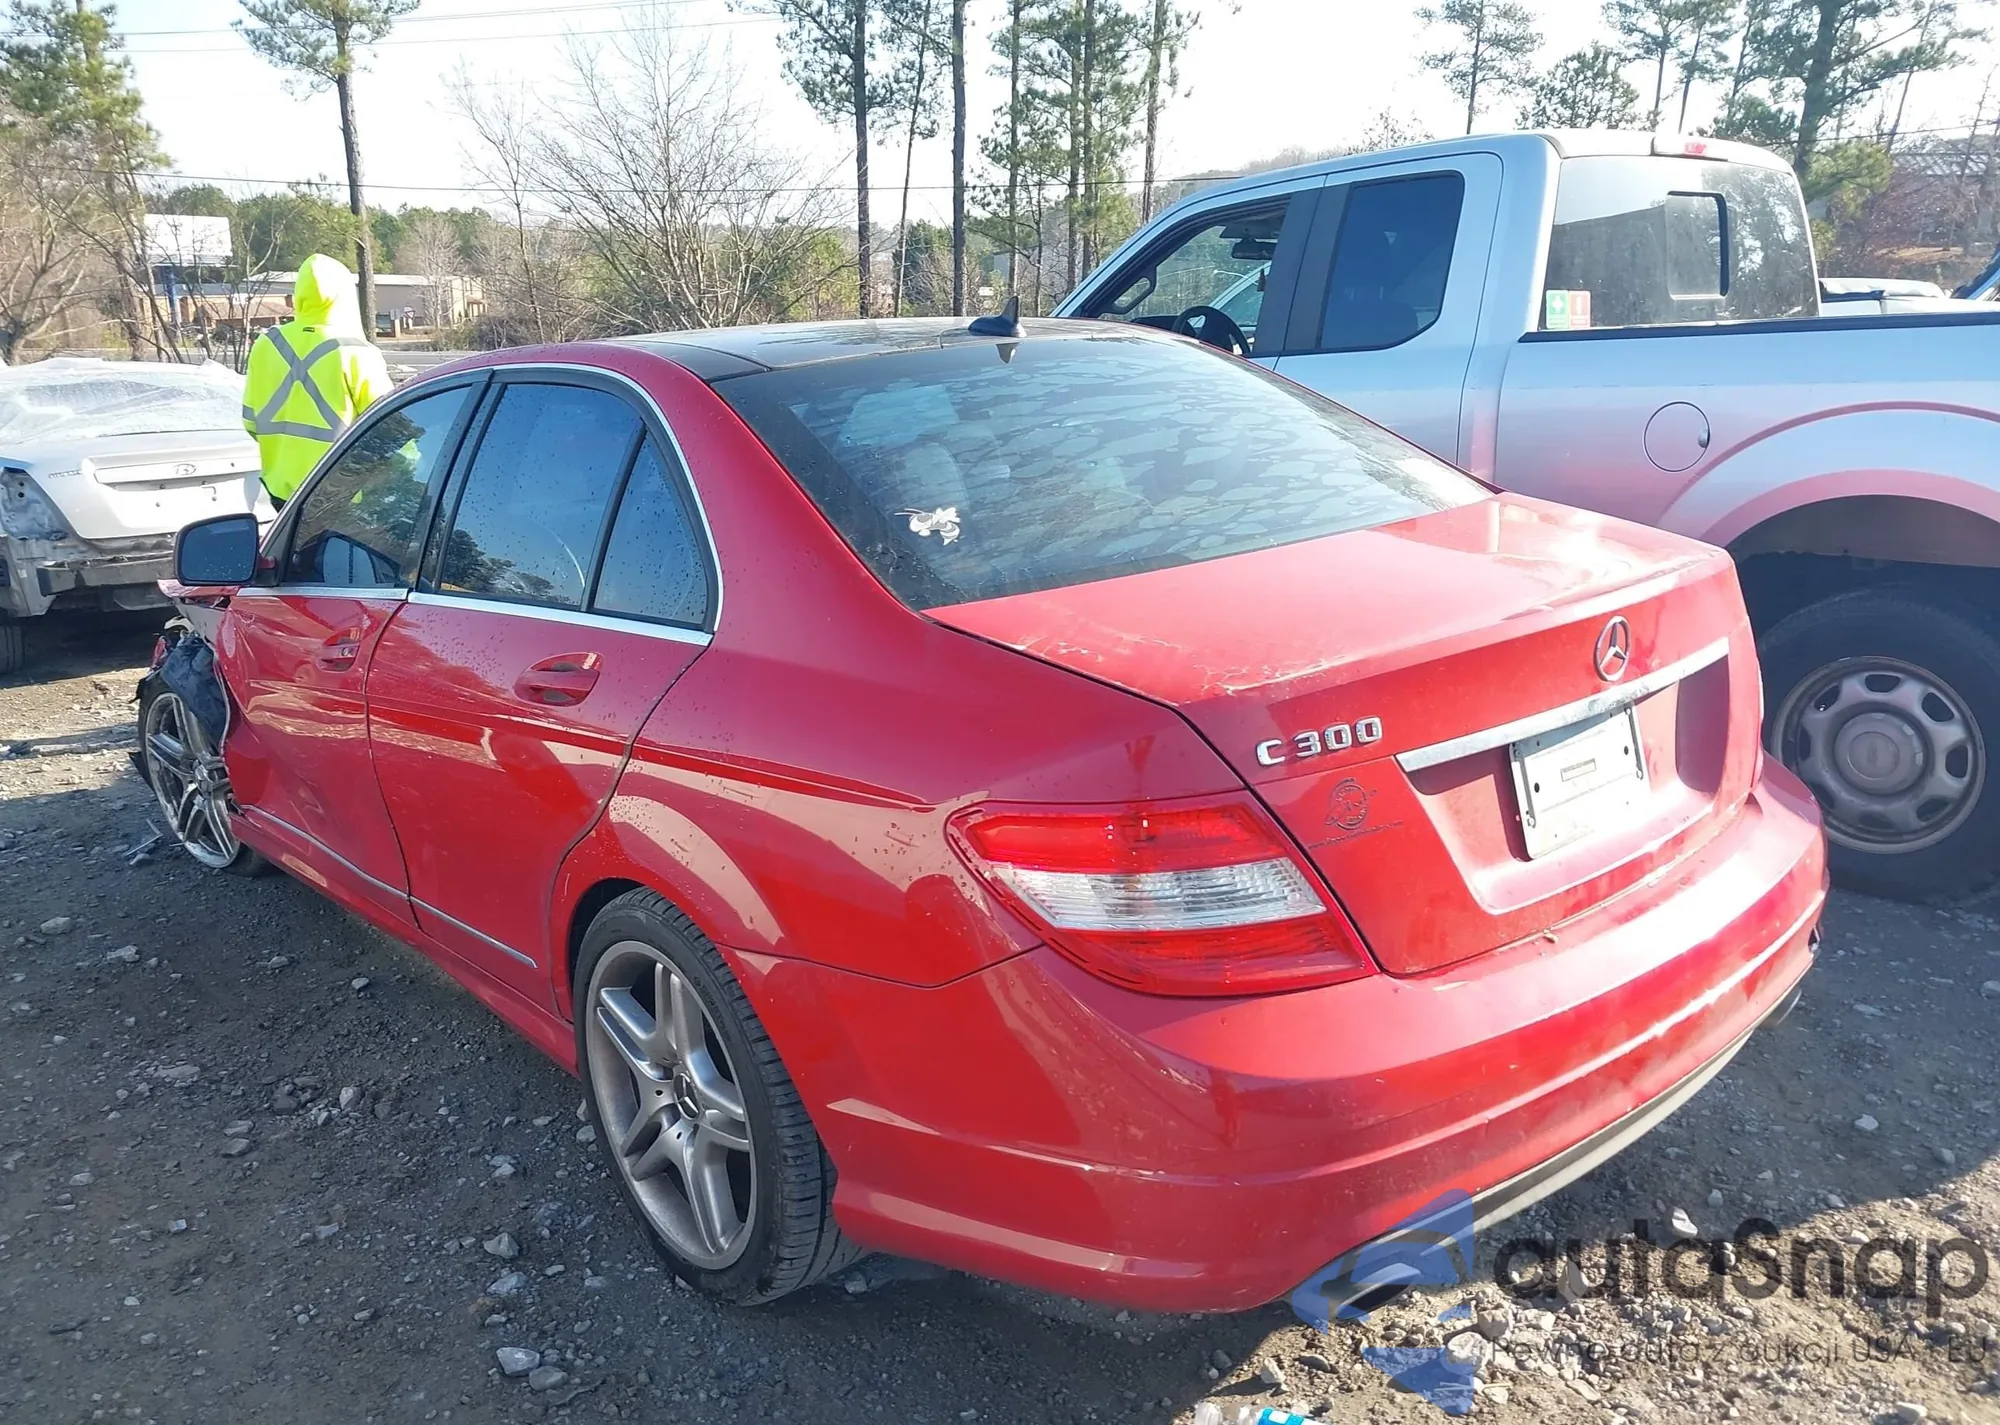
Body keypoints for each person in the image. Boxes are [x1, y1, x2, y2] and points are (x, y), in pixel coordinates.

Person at [241, 254, 391, 510]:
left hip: (282, 492)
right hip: (342, 496)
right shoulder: (355, 351)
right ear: (345, 296)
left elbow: (250, 421)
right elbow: (391, 427)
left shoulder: (266, 345)